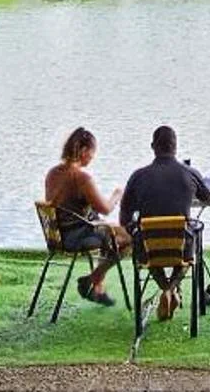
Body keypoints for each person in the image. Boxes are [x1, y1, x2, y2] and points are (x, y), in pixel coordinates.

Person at [119, 124, 210, 321]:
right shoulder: (190, 172)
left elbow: (124, 216)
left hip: (148, 250)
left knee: (146, 245)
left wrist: (134, 231)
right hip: (181, 249)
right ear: (175, 147)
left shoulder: (138, 176)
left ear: (152, 146)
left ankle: (164, 288)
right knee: (188, 247)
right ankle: (172, 287)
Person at [43, 127, 126, 306]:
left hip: (58, 236)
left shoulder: (52, 173)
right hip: (76, 237)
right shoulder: (81, 178)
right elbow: (105, 208)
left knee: (109, 232)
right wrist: (117, 194)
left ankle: (97, 288)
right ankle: (93, 279)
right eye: (92, 153)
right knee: (129, 238)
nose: (92, 157)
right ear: (83, 151)